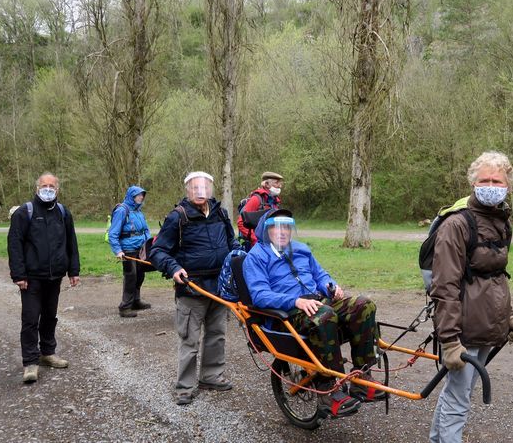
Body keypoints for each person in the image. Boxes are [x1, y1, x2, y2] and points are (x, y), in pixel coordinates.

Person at [242, 208, 386, 418]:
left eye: (287, 228)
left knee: (364, 305)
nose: (282, 232)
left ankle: (362, 379)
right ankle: (329, 392)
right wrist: (295, 301)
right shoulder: (256, 257)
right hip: (287, 313)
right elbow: (259, 295)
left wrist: (332, 286)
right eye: (276, 228)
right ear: (266, 231)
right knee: (324, 316)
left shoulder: (301, 250)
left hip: (318, 303)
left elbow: (321, 276)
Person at [429, 151, 513, 443]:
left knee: (460, 392)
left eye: (497, 180)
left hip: (487, 325)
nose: (491, 185)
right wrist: (449, 341)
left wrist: (508, 316)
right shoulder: (457, 225)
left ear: (508, 185)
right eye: (485, 180)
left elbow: (496, 277)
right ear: (473, 183)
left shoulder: (502, 221)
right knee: (458, 399)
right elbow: (444, 287)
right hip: (463, 329)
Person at [150, 171, 240, 406]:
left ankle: (211, 376)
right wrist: (174, 268)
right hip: (191, 289)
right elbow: (157, 251)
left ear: (211, 190)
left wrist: (239, 256)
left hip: (220, 288)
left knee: (217, 335)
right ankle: (185, 387)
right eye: (195, 188)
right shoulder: (177, 217)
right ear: (187, 191)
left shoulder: (221, 213)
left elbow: (232, 242)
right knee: (189, 340)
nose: (200, 192)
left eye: (204, 188)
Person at [7, 172, 80, 384]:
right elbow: (15, 245)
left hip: (54, 276)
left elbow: (71, 243)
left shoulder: (63, 213)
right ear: (37, 188)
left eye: (52, 186)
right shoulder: (24, 213)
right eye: (44, 185)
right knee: (30, 319)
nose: (48, 189)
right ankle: (30, 362)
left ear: (57, 189)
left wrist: (73, 271)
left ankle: (47, 352)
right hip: (31, 278)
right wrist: (18, 274)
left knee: (50, 315)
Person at [107, 185, 152, 318]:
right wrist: (118, 251)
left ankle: (136, 301)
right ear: (131, 196)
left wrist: (148, 242)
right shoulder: (122, 210)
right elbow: (113, 233)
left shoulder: (139, 212)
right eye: (138, 195)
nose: (141, 197)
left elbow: (146, 229)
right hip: (128, 250)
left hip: (140, 248)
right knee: (130, 276)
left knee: (140, 275)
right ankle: (125, 307)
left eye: (142, 195)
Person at [236, 171, 283, 250]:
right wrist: (255, 239)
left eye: (280, 183)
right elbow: (240, 222)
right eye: (276, 183)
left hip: (272, 244)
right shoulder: (256, 199)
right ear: (267, 184)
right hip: (257, 247)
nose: (280, 186)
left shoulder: (275, 201)